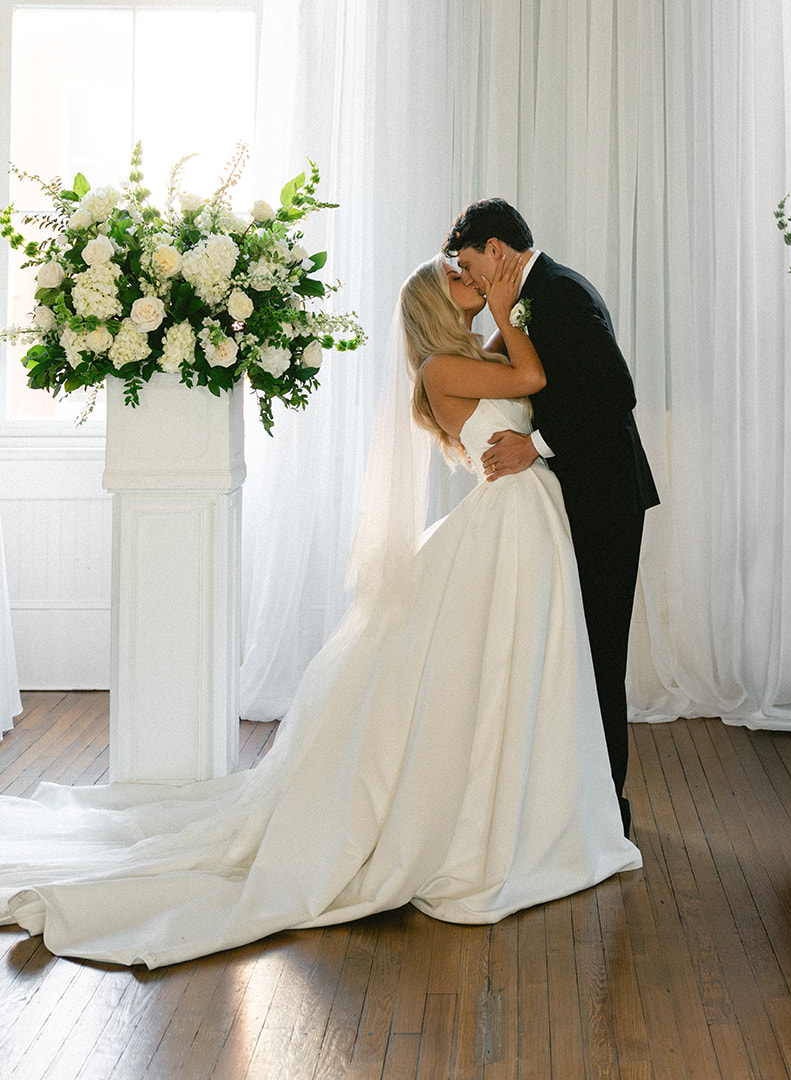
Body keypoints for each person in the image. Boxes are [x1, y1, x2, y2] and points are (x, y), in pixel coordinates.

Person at [0, 254, 639, 968]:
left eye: (471, 272)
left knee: (519, 668)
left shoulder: (464, 357)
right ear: (438, 302)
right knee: (493, 663)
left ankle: (531, 809)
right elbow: (532, 379)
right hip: (510, 520)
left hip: (525, 518)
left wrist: (499, 316)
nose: (472, 279)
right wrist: (507, 305)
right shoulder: (442, 368)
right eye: (457, 278)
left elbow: (528, 377)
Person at [445, 200, 659, 837]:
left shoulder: (559, 293)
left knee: (599, 650)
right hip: (576, 494)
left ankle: (607, 810)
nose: (471, 278)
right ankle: (581, 798)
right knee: (578, 650)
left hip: (605, 497)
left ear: (496, 249)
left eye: (469, 264)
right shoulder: (532, 294)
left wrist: (535, 446)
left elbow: (616, 393)